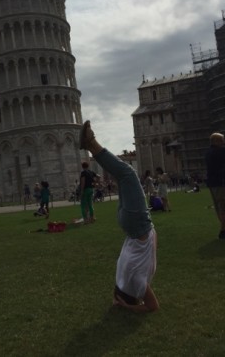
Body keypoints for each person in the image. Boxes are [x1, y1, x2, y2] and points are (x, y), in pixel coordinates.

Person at [80, 120, 159, 312]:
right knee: (123, 175)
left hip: (138, 225)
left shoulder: (137, 283)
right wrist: (120, 300)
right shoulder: (122, 279)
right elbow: (130, 297)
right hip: (128, 225)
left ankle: (91, 143)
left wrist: (130, 306)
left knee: (127, 174)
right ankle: (90, 144)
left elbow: (153, 307)